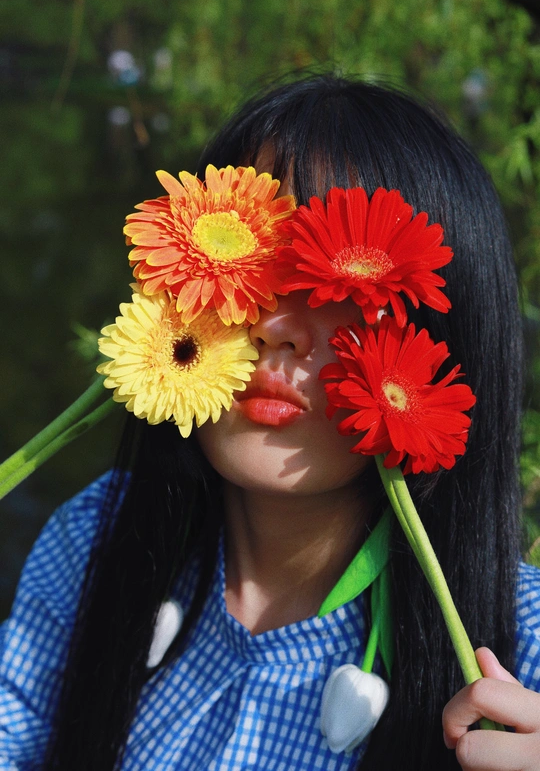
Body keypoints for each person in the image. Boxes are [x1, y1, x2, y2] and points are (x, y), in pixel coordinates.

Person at [1, 74, 540, 771]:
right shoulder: (96, 541)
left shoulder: (520, 657)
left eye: (341, 290)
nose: (277, 325)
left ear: (445, 335)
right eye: (256, 265)